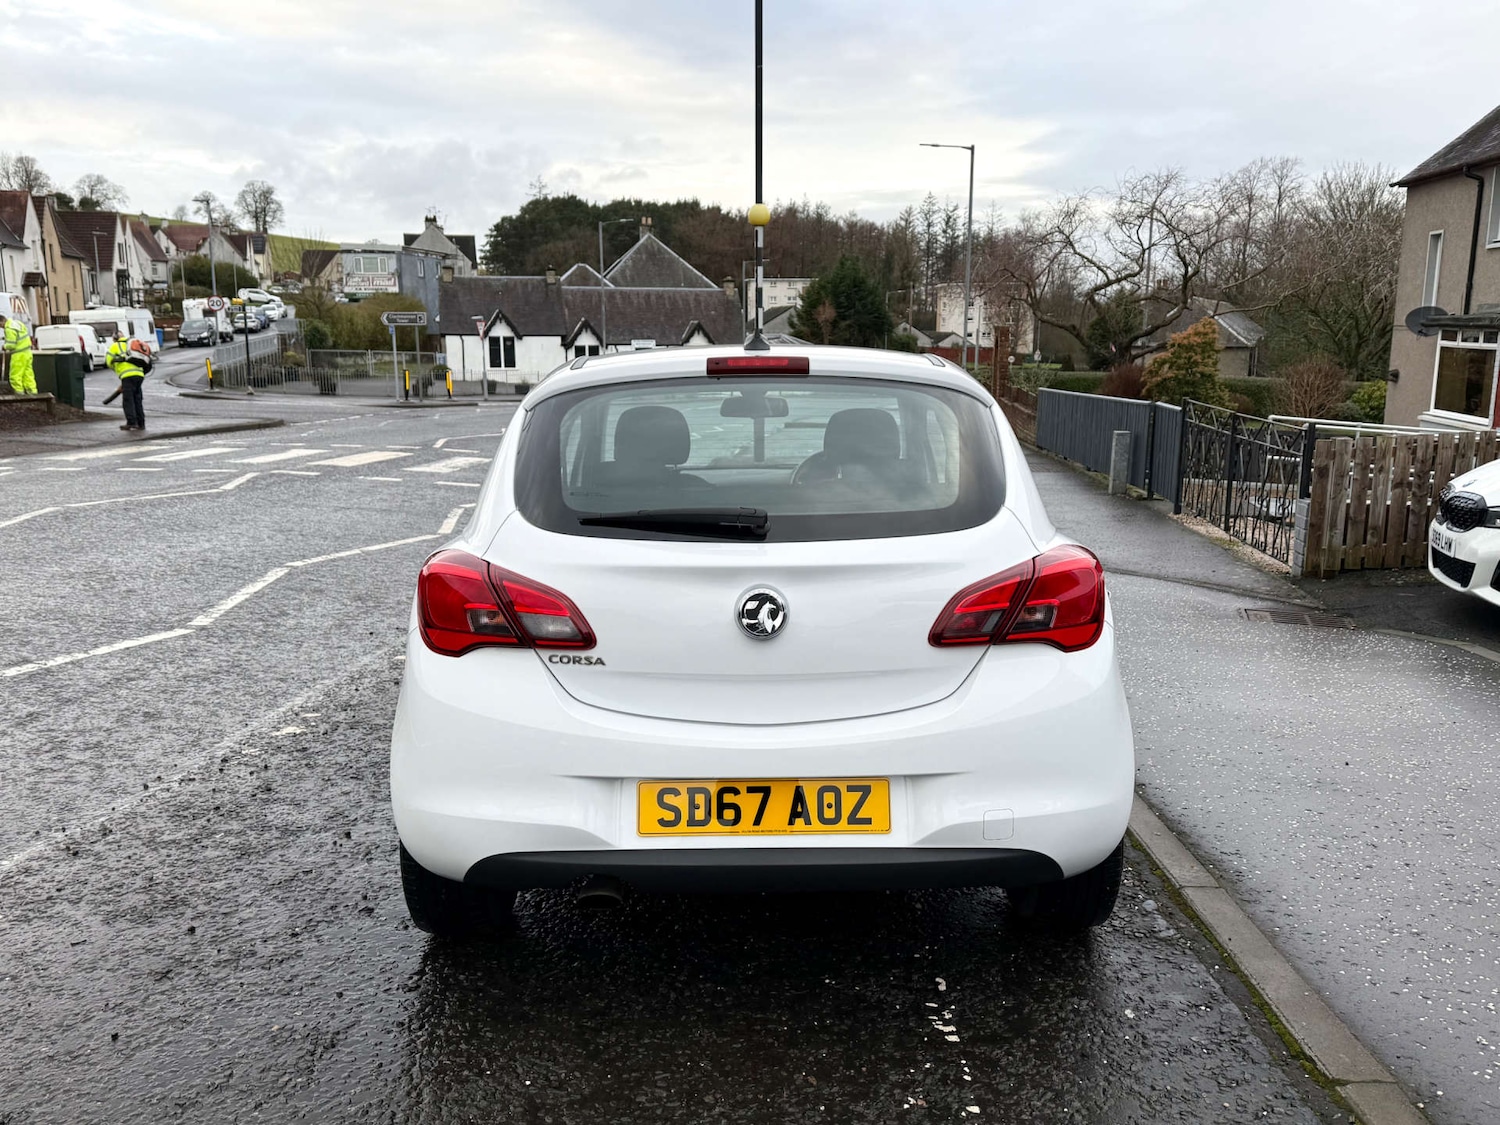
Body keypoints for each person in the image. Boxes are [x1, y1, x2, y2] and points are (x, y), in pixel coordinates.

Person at [106, 330, 147, 430]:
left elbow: (108, 362)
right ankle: (141, 423)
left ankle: (131, 422)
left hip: (127, 375)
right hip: (140, 374)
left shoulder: (115, 346)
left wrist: (117, 369)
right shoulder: (133, 344)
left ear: (115, 339)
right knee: (137, 399)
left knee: (128, 400)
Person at [0, 313, 37, 395]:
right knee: (28, 375)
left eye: (0, 325)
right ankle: (33, 394)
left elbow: (11, 344)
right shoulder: (17, 323)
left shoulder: (8, 328)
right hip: (27, 352)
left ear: (2, 322)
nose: (1, 328)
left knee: (15, 376)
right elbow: (20, 336)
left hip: (18, 355)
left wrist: (4, 346)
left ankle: (19, 395)